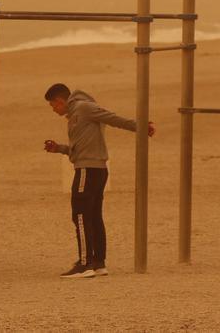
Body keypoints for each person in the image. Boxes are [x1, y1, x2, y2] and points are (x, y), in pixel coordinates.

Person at [42, 83, 155, 279]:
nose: (54, 110)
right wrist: (58, 148)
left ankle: (85, 264)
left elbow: (113, 118)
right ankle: (98, 263)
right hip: (93, 168)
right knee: (93, 215)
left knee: (80, 214)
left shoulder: (83, 108)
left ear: (60, 101)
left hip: (89, 170)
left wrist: (141, 126)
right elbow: (79, 150)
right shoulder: (76, 114)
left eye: (53, 106)